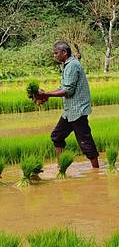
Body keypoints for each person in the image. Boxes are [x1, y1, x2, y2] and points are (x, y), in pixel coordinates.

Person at [34, 41, 100, 169]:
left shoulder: (72, 65)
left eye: (56, 53)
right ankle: (61, 167)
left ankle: (96, 171)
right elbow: (62, 87)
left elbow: (67, 91)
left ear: (64, 52)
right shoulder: (66, 65)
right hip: (69, 112)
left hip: (78, 111)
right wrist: (46, 95)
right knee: (57, 137)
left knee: (85, 142)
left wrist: (46, 94)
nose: (54, 56)